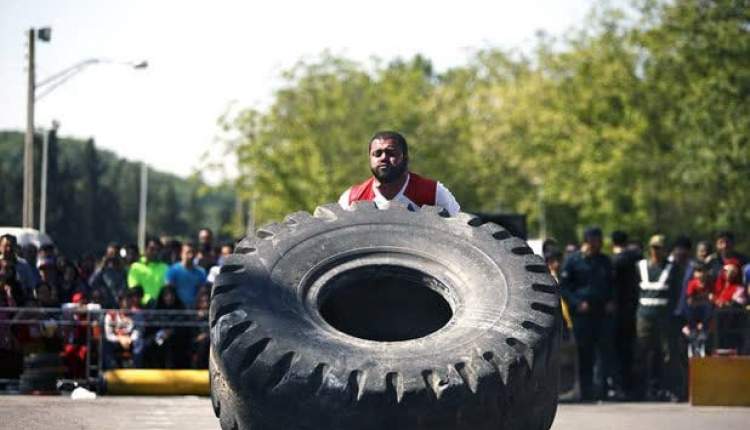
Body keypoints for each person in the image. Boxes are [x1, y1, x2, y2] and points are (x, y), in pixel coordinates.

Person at [338, 131, 460, 216]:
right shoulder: (352, 199)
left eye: (391, 153)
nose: (383, 158)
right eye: (377, 153)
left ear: (405, 158)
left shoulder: (433, 193)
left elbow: (460, 230)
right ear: (370, 158)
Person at [558, 227, 616, 401]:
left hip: (602, 314)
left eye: (599, 240)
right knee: (585, 354)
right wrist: (577, 303)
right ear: (587, 241)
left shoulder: (605, 261)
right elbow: (564, 288)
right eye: (595, 240)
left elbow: (612, 285)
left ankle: (603, 391)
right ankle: (586, 392)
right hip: (583, 314)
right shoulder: (573, 261)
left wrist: (611, 301)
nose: (598, 244)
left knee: (604, 353)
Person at [634, 234, 684, 402]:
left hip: (664, 318)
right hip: (644, 317)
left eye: (660, 248)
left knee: (668, 354)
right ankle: (642, 390)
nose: (656, 251)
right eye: (654, 248)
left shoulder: (673, 268)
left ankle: (671, 390)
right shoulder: (640, 266)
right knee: (642, 353)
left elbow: (677, 292)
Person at [610, 230, 641, 399]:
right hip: (632, 309)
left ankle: (620, 387)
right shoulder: (635, 258)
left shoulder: (615, 261)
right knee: (629, 351)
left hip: (616, 311)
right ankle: (631, 387)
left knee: (618, 351)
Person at [127, 238, 168, 307]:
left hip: (160, 308)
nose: (155, 252)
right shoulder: (136, 267)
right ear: (145, 250)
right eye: (152, 249)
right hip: (141, 308)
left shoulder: (165, 268)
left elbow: (167, 291)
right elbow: (134, 290)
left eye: (157, 250)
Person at [166, 242, 207, 309]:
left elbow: (202, 292)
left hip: (194, 310)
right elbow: (169, 290)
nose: (191, 255)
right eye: (188, 252)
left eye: (193, 252)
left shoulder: (201, 272)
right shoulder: (173, 270)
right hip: (177, 309)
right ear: (181, 254)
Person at [683, 263, 712, 357]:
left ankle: (703, 334)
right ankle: (693, 338)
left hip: (705, 316)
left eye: (703, 271)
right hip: (694, 313)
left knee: (708, 307)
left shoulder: (709, 284)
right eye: (699, 272)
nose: (701, 274)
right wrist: (703, 299)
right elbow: (690, 301)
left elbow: (712, 299)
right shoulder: (692, 284)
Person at [0, 234, 37, 302]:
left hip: (20, 302)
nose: (9, 249)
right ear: (0, 247)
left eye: (11, 246)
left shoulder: (24, 265)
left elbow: (30, 287)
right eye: (6, 246)